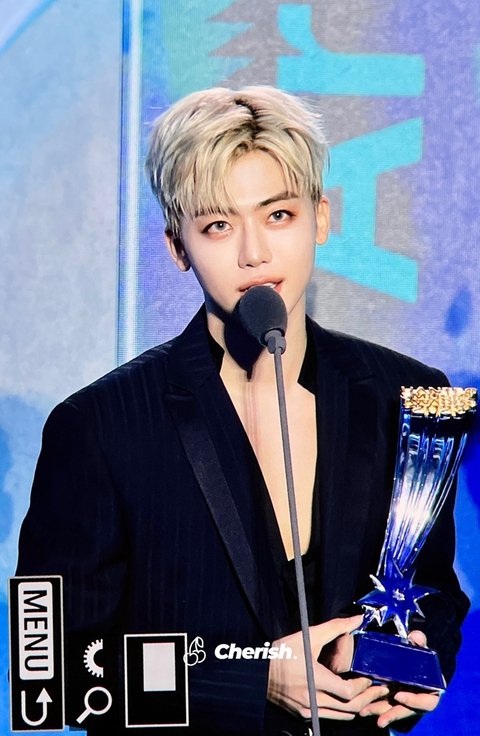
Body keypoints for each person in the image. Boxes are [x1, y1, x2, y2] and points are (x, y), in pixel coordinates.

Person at [16, 86, 469, 736]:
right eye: (218, 226)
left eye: (278, 214)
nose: (254, 252)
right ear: (178, 247)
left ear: (320, 218)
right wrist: (252, 680)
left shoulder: (408, 396)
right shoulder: (99, 427)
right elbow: (49, 678)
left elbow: (435, 592)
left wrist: (410, 662)